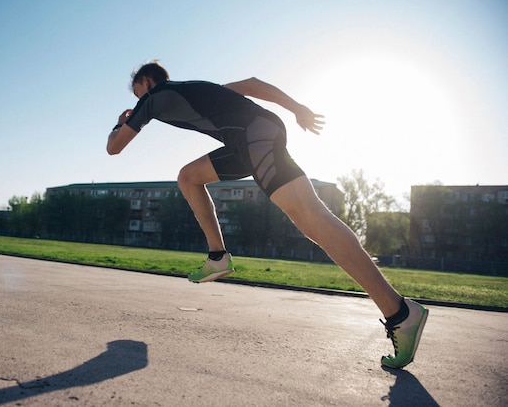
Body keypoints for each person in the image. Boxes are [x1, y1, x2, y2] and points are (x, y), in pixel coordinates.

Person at [106, 61, 428, 369]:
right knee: (189, 176)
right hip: (251, 137)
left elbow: (114, 148)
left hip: (253, 137)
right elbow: (252, 85)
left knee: (311, 217)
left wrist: (122, 123)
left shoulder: (152, 98)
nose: (139, 101)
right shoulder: (200, 90)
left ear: (146, 84)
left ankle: (399, 313)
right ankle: (218, 256)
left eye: (137, 93)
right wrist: (296, 108)